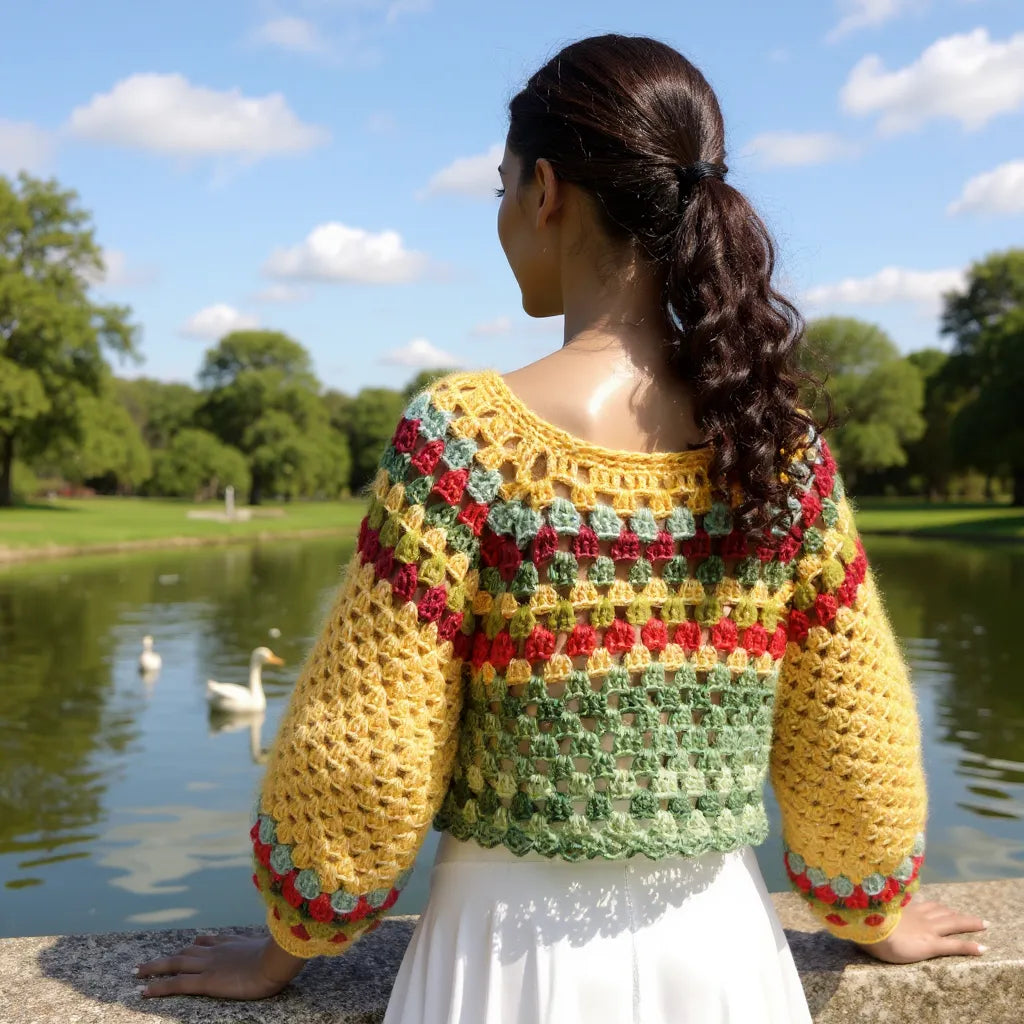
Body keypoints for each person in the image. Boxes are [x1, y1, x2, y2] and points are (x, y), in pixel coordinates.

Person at [136, 33, 988, 1021]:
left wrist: (284, 948)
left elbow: (364, 756)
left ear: (545, 190)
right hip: (721, 960)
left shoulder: (460, 442)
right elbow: (852, 738)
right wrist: (875, 915)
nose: (499, 215)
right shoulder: (775, 447)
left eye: (501, 187)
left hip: (500, 963)